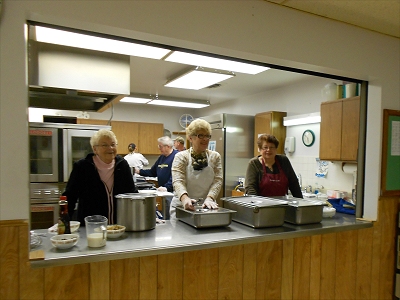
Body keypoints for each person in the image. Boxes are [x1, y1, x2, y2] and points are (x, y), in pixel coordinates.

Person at [63, 129, 136, 225]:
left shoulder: (122, 164)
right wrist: (64, 222)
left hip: (119, 225)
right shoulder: (82, 166)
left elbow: (132, 193)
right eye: (105, 145)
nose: (110, 148)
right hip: (91, 226)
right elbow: (70, 196)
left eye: (113, 144)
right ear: (95, 149)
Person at [170, 119, 222, 217]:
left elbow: (218, 180)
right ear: (191, 138)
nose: (205, 139)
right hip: (182, 207)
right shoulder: (181, 157)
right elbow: (178, 181)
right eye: (200, 135)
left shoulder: (215, 157)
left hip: (206, 207)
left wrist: (210, 198)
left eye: (207, 136)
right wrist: (185, 199)